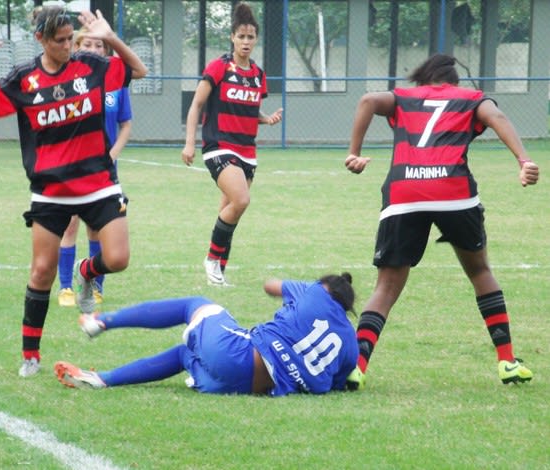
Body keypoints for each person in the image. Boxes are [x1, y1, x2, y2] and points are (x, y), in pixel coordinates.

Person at [343, 54, 539, 390]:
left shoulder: (405, 97)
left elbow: (367, 100)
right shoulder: (470, 99)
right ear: (453, 82)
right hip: (454, 191)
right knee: (479, 271)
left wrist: (354, 152)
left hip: (404, 191)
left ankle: (357, 367)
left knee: (386, 287)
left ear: (424, 79)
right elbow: (497, 115)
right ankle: (507, 361)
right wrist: (523, 159)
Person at [0, 7, 148, 377]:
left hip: (99, 183)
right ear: (41, 40)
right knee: (41, 272)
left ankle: (86, 270)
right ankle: (30, 355)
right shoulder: (25, 80)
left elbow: (139, 70)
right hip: (51, 192)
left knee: (118, 259)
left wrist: (112, 38)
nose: (68, 46)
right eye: (60, 41)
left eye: (71, 38)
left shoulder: (91, 67)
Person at [54, 272, 359, 396]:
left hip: (238, 356)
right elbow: (336, 383)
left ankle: (102, 321)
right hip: (241, 387)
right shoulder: (350, 346)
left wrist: (303, 287)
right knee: (184, 355)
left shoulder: (314, 292)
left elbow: (270, 285)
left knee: (195, 304)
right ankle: (102, 379)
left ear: (326, 289)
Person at [181, 2, 283, 287]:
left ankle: (218, 275)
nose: (246, 41)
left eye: (251, 37)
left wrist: (267, 120)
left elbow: (248, 111)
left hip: (248, 151)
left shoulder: (258, 76)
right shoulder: (219, 68)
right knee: (241, 200)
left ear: (256, 39)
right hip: (219, 147)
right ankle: (212, 260)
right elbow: (196, 105)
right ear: (232, 37)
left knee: (231, 210)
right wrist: (189, 143)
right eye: (241, 36)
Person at [57, 28, 133, 308]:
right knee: (69, 225)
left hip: (103, 170)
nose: (92, 49)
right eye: (86, 44)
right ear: (76, 47)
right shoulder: (67, 81)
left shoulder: (116, 83)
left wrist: (113, 153)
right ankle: (65, 287)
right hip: (72, 165)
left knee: (96, 228)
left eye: (99, 45)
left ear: (106, 51)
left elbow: (126, 124)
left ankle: (94, 285)